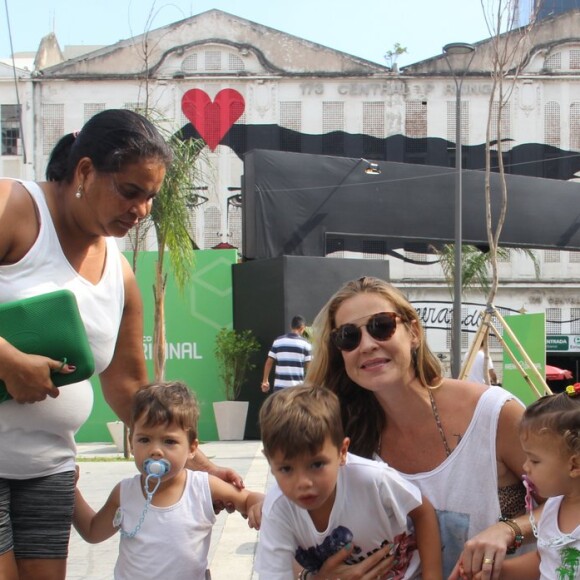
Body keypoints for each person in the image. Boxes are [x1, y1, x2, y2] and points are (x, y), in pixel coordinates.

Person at [0, 109, 241, 580]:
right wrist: (7, 360)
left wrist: (198, 463)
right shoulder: (12, 206)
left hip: (47, 470)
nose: (142, 210)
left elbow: (132, 390)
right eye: (130, 192)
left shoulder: (120, 272)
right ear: (86, 171)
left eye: (150, 198)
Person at [306, 276, 535, 579]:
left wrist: (510, 530)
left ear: (413, 332)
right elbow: (296, 530)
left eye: (381, 325)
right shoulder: (341, 439)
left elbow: (571, 501)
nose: (368, 345)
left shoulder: (493, 414)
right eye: (349, 336)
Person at [73, 381, 264, 580]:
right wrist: (72, 492)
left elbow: (248, 498)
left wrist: (258, 504)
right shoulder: (124, 493)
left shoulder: (202, 486)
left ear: (192, 448)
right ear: (131, 442)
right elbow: (93, 531)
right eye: (144, 440)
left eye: (169, 441)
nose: (155, 450)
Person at [255, 384, 443, 580]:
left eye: (317, 464)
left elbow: (422, 511)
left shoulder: (373, 480)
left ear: (342, 452)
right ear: (269, 461)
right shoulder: (277, 509)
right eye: (286, 469)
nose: (303, 483)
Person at [479, 388, 580, 580]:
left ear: (574, 464)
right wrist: (496, 573)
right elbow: (546, 558)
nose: (525, 466)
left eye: (534, 460)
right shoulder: (552, 508)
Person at [261, 315, 312, 393]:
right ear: (302, 327)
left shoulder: (278, 341)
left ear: (291, 326)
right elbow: (309, 367)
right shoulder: (305, 344)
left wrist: (265, 381)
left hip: (279, 389)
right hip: (296, 389)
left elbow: (269, 362)